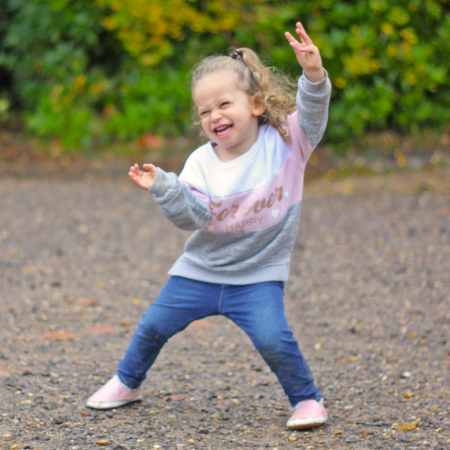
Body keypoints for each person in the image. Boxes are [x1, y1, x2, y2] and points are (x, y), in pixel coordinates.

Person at [87, 22, 332, 430]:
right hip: (201, 270)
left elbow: (312, 111)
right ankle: (127, 382)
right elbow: (192, 218)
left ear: (255, 104)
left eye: (224, 104)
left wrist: (313, 76)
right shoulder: (201, 162)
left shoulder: (289, 140)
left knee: (274, 339)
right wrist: (165, 188)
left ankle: (307, 400)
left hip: (257, 275)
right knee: (153, 325)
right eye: (204, 111)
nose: (214, 116)